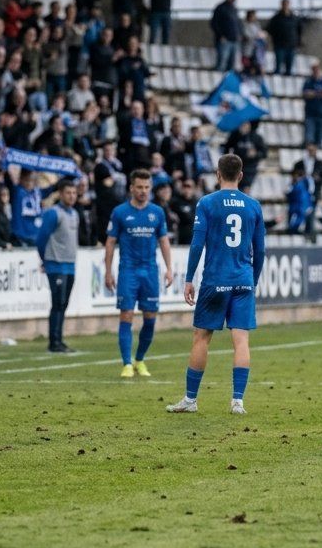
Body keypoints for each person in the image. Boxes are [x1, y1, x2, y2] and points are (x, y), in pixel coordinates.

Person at [167, 154, 265, 416]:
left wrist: (189, 279)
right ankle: (237, 402)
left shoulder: (207, 203)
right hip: (243, 281)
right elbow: (261, 250)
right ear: (241, 175)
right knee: (241, 340)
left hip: (215, 281)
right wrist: (252, 281)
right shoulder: (253, 205)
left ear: (218, 175)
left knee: (201, 338)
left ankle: (190, 399)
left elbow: (197, 244)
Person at [105, 169, 174, 378]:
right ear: (131, 188)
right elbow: (110, 242)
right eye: (139, 187)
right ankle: (126, 363)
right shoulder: (119, 212)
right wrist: (108, 272)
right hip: (128, 271)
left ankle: (140, 359)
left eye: (146, 187)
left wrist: (169, 268)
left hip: (150, 271)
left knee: (150, 318)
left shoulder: (157, 212)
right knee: (126, 314)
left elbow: (163, 240)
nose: (143, 191)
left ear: (150, 188)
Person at [35, 179, 81, 354]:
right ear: (60, 194)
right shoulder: (53, 213)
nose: (71, 196)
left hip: (70, 265)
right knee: (57, 303)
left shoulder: (74, 214)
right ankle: (53, 342)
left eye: (74, 193)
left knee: (64, 304)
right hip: (56, 264)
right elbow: (41, 238)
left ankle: (59, 339)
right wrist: (45, 260)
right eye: (68, 193)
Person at [266, 0, 303, 75]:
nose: (285, 6)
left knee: (289, 68)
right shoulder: (276, 18)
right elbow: (269, 29)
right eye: (284, 4)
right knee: (278, 67)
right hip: (279, 45)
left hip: (291, 45)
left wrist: (298, 41)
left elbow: (299, 30)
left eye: (286, 4)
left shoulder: (294, 18)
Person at [301, 62, 322, 149]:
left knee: (320, 136)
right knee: (309, 136)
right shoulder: (309, 81)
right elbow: (305, 94)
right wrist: (316, 94)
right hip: (310, 113)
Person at [210, 0, 242, 71]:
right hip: (224, 40)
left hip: (234, 40)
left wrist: (239, 34)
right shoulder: (221, 8)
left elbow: (238, 23)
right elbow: (214, 23)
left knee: (231, 63)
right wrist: (220, 35)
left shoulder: (234, 9)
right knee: (222, 62)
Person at [11, 169, 43, 245]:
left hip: (36, 236)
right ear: (20, 180)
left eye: (31, 180)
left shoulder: (37, 192)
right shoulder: (17, 191)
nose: (29, 183)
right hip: (20, 237)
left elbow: (53, 188)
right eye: (26, 180)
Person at [285, 165, 314, 235]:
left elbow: (310, 193)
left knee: (305, 224)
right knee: (293, 225)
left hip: (303, 207)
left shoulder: (305, 183)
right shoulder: (292, 185)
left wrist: (309, 206)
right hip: (295, 208)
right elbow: (288, 194)